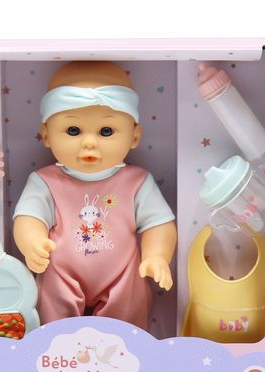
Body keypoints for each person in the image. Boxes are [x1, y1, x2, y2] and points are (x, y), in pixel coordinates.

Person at [13, 61, 177, 329]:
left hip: (122, 274)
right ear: (46, 135)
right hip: (62, 272)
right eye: (73, 130)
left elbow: (158, 224)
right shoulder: (45, 181)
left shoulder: (137, 182)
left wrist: (157, 255)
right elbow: (28, 217)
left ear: (135, 137)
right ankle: (57, 344)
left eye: (106, 131)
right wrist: (32, 242)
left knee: (127, 319)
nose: (89, 142)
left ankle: (123, 346)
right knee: (53, 317)